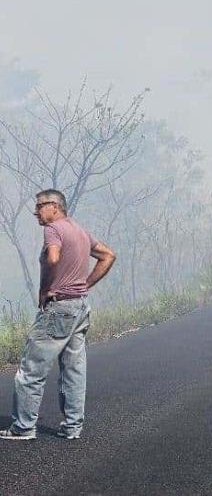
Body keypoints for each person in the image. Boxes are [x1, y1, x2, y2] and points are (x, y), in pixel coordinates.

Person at [0, 189, 116, 441]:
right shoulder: (79, 230)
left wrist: (46, 289)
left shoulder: (53, 229)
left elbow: (53, 258)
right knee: (73, 370)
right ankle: (73, 426)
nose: (36, 212)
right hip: (79, 307)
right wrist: (84, 285)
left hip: (59, 307)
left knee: (31, 369)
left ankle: (23, 427)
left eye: (40, 207)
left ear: (55, 206)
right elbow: (108, 255)